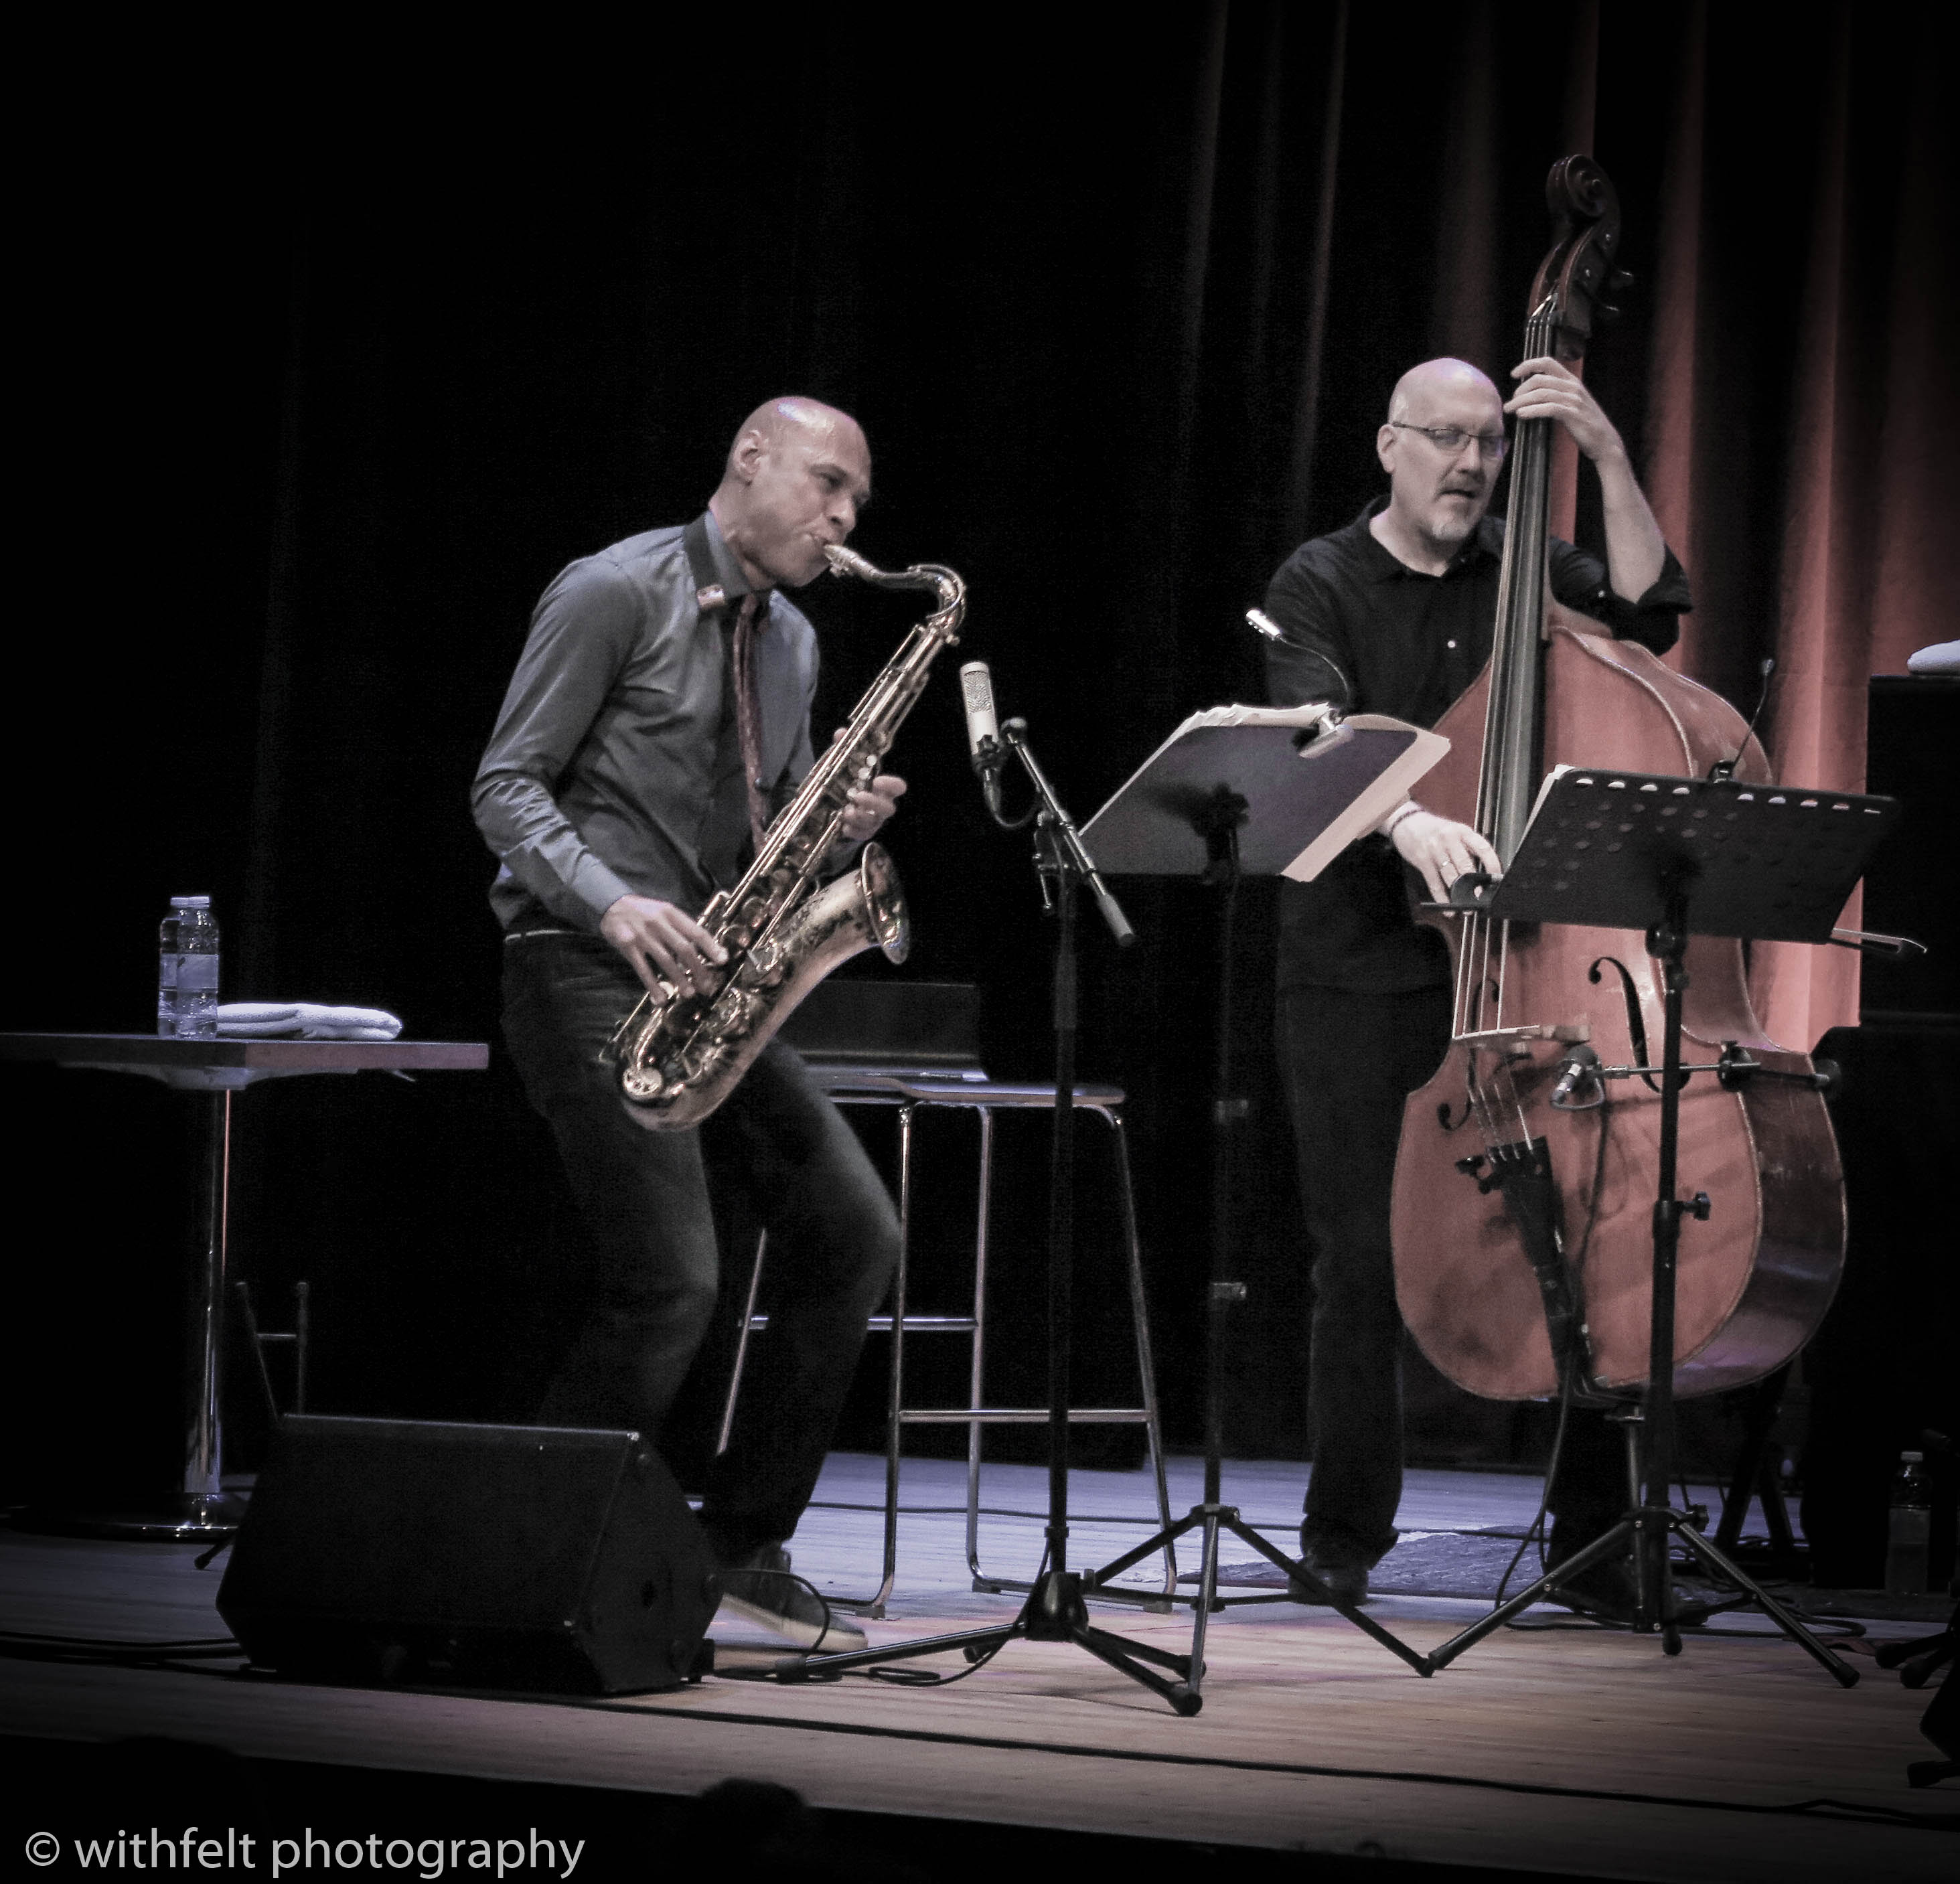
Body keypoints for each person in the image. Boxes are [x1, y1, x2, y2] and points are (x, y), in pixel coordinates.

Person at [1260, 356, 1693, 1616]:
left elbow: (1646, 605)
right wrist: (1407, 821)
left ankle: (1596, 1539)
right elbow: (1315, 732)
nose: (1468, 466)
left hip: (1525, 964)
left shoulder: (1525, 572)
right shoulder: (1320, 580)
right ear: (1388, 444)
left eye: (1490, 447)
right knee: (1360, 1256)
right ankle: (1343, 1534)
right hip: (1360, 965)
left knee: (1583, 1239)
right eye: (1445, 441)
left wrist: (1605, 451)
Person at [472, 397, 905, 1650]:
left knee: (855, 1232)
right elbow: (504, 784)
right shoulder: (615, 589)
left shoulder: (797, 642)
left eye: (858, 506)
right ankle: (530, 1549)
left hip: (716, 978)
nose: (843, 519)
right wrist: (613, 908)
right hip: (579, 959)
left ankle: (735, 1545)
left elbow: (765, 837)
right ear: (748, 459)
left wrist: (841, 829)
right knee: (673, 1281)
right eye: (828, 486)